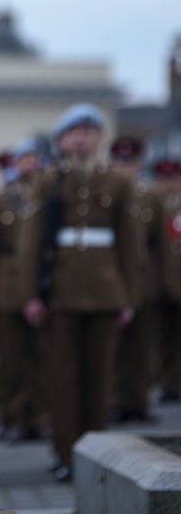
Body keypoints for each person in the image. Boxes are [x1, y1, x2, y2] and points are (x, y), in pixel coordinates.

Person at [17, 104, 141, 483]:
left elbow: (131, 245)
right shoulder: (49, 181)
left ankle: (98, 455)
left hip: (105, 291)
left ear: (101, 138)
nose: (83, 138)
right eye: (75, 132)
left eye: (90, 131)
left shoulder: (119, 182)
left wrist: (129, 297)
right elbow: (31, 242)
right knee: (64, 378)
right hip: (60, 291)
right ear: (62, 140)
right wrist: (31, 295)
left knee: (100, 378)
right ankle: (66, 454)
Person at [0, 138, 48, 443]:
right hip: (6, 288)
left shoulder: (47, 197)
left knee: (41, 358)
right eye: (24, 159)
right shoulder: (0, 200)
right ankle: (10, 416)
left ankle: (39, 416)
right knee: (9, 359)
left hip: (41, 288)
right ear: (15, 164)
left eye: (33, 158)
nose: (29, 164)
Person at [108, 137, 163, 423]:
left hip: (145, 279)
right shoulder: (105, 193)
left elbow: (161, 245)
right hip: (113, 277)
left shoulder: (149, 196)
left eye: (130, 162)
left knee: (143, 347)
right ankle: (115, 399)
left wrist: (164, 283)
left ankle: (139, 400)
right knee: (115, 347)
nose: (126, 168)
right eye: (121, 162)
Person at [153, 158, 181, 402]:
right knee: (163, 338)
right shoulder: (152, 206)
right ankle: (166, 381)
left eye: (173, 179)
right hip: (160, 283)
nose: (169, 184)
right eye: (164, 179)